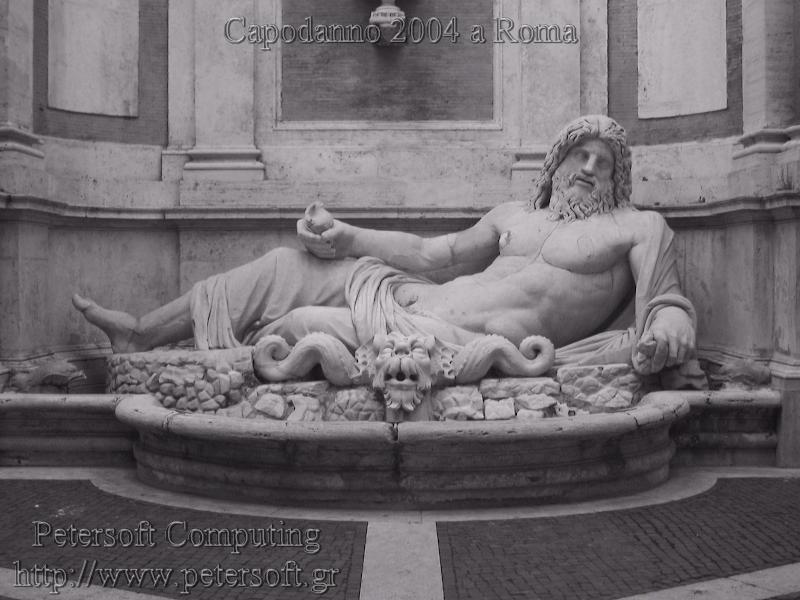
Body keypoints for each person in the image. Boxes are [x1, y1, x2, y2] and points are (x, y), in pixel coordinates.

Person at [73, 115, 695, 375]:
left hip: (460, 340)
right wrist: (347, 236)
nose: (588, 168)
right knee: (286, 265)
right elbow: (434, 256)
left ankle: (216, 371)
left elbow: (665, 301)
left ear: (618, 176)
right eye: (579, 155)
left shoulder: (638, 228)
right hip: (412, 295)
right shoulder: (514, 215)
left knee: (302, 325)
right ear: (557, 163)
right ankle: (142, 333)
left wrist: (669, 326)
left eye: (603, 162)